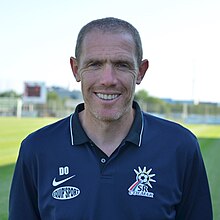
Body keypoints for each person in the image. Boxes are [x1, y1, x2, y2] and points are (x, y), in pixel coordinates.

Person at [9, 17, 213, 220]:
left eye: (122, 65)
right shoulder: (36, 148)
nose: (108, 80)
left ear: (140, 72)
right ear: (75, 69)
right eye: (95, 64)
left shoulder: (180, 146)